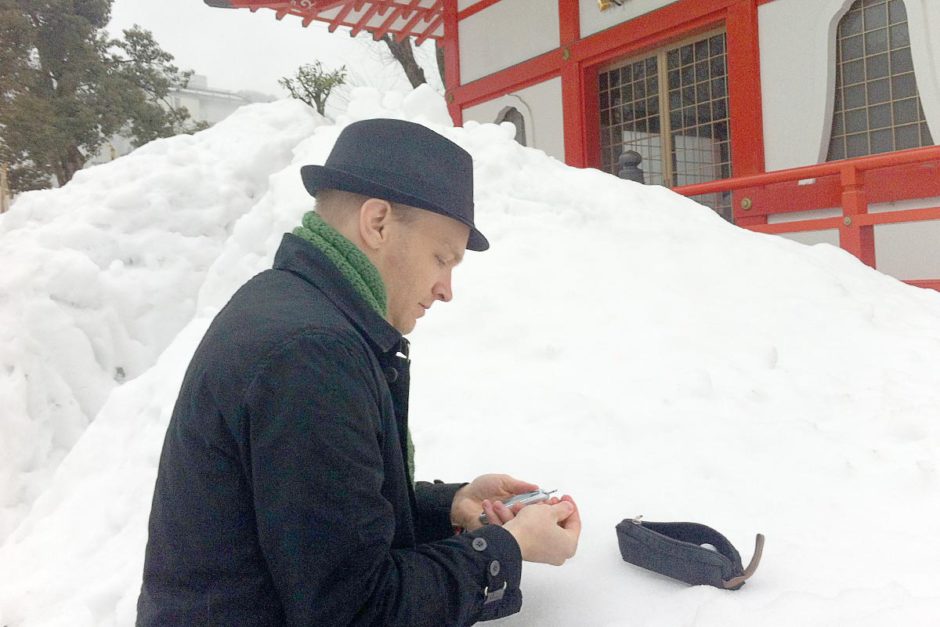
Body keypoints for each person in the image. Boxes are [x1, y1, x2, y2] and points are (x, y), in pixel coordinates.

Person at [136, 118, 581, 626]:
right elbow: (357, 610)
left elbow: (323, 522)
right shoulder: (310, 353)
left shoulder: (291, 306)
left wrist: (450, 506)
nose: (446, 289)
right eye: (442, 257)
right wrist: (508, 547)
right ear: (377, 223)